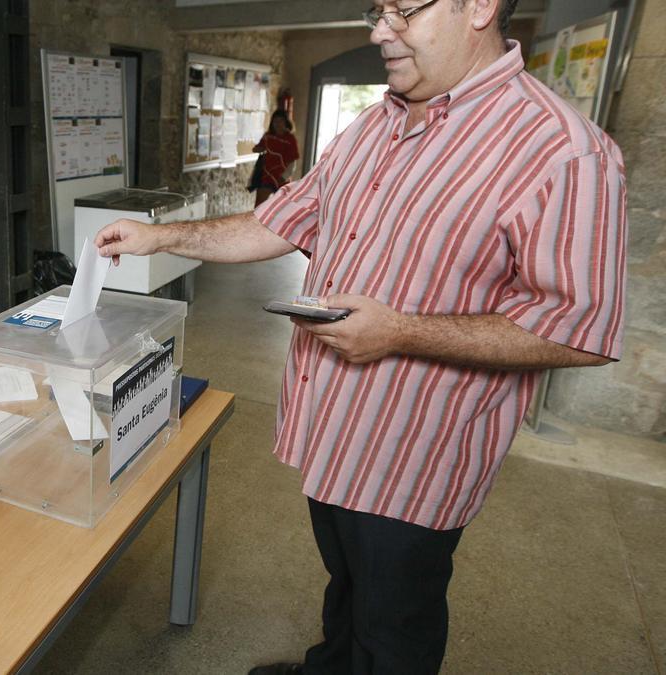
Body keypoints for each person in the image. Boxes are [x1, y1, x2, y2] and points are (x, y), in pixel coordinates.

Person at [96, 0, 626, 672]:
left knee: (395, 619)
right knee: (347, 580)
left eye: (402, 11)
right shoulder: (373, 125)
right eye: (376, 10)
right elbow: (281, 222)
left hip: (415, 453)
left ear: (481, 7)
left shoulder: (563, 152)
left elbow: (580, 329)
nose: (379, 31)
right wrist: (157, 237)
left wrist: (400, 331)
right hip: (335, 427)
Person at [248, 110, 300, 206]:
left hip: (282, 178)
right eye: (275, 121)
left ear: (286, 122)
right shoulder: (268, 136)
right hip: (267, 176)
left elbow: (292, 162)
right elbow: (256, 148)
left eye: (281, 121)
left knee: (281, 207)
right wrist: (259, 148)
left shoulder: (290, 139)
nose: (278, 124)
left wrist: (284, 177)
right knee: (259, 207)